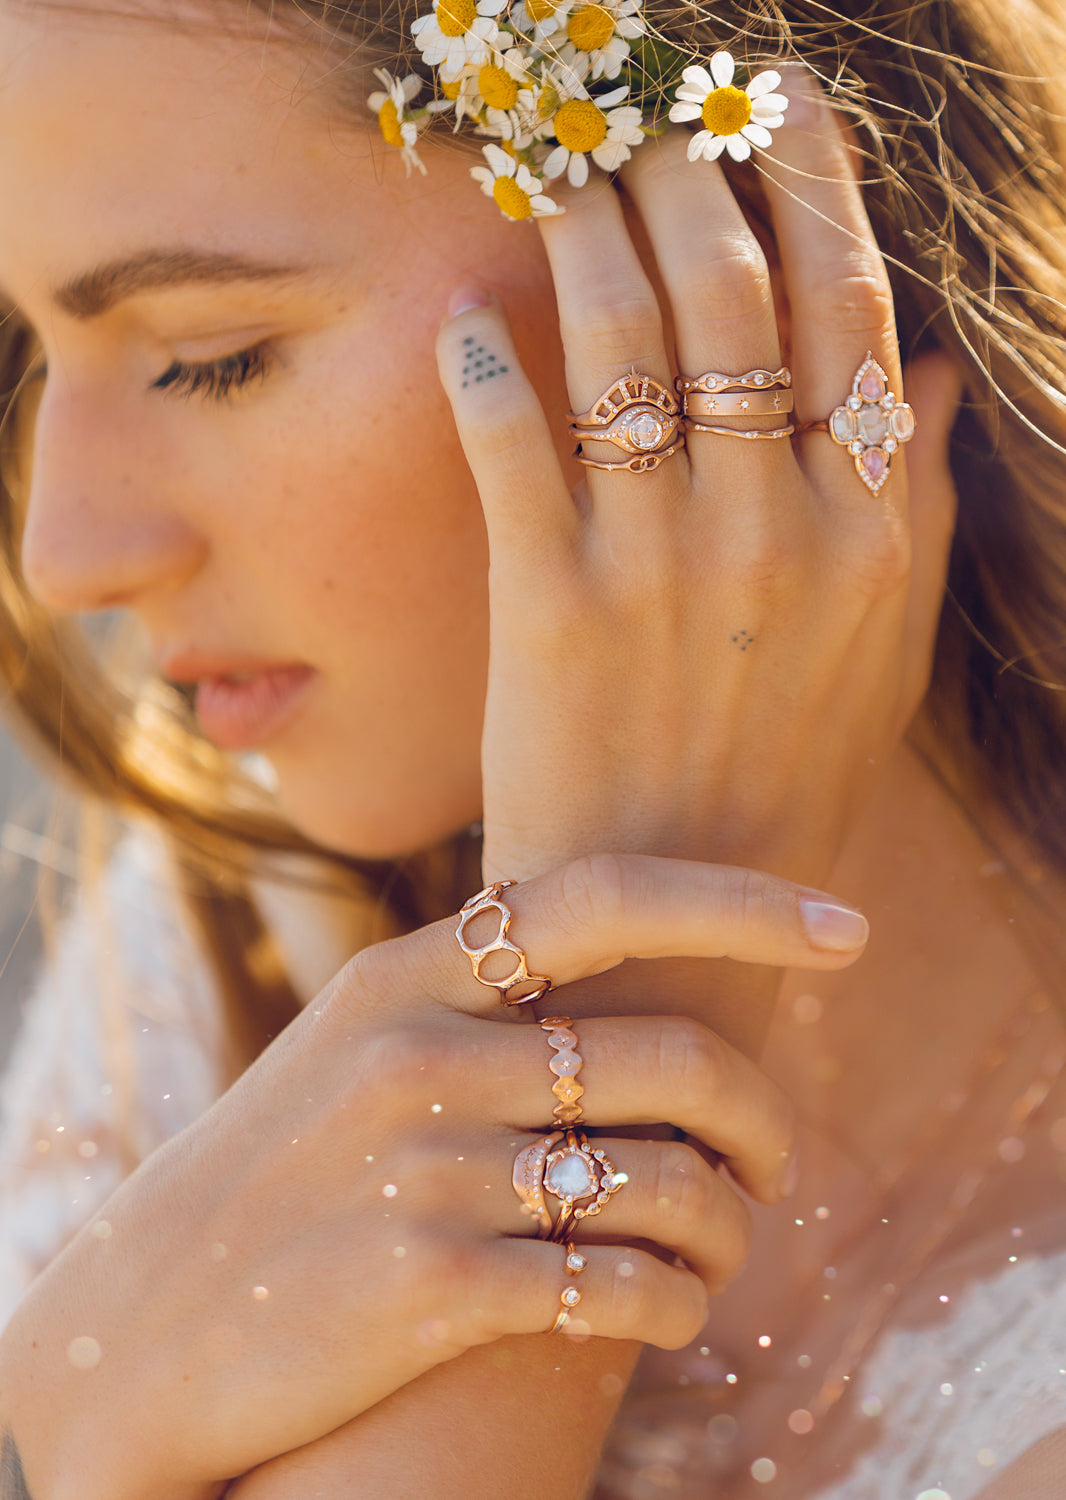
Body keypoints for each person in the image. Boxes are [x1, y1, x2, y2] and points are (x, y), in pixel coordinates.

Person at [0, 0, 1064, 1494]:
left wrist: (616, 965)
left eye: (209, 357)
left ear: (732, 263)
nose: (69, 555)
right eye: (31, 358)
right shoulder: (215, 958)